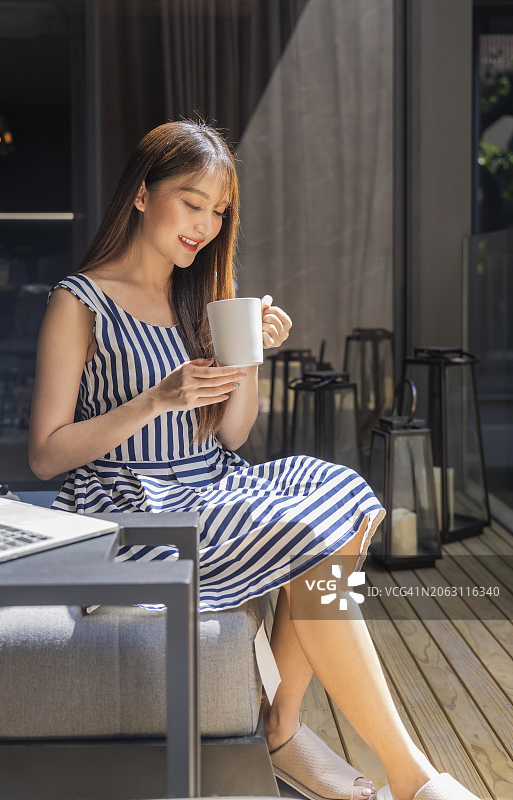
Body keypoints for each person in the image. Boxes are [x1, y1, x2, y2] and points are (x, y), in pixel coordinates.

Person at [29, 120, 483, 800]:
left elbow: (234, 437)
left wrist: (245, 358)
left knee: (344, 495)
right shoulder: (80, 301)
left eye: (218, 212)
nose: (206, 226)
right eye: (192, 202)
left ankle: (281, 723)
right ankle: (408, 775)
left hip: (209, 484)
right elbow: (44, 453)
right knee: (309, 532)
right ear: (143, 195)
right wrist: (155, 401)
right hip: (129, 506)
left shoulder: (200, 299)